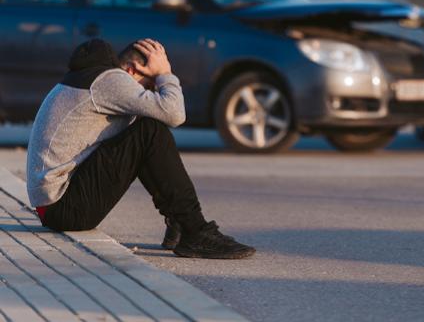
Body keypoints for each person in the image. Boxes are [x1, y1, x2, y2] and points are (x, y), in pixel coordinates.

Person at [26, 38, 255, 259]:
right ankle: (195, 230)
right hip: (64, 208)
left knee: (143, 128)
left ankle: (180, 223)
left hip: (55, 206)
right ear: (133, 69)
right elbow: (175, 114)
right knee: (149, 130)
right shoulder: (111, 80)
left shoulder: (90, 78)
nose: (149, 93)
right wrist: (165, 75)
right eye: (148, 86)